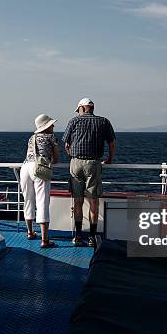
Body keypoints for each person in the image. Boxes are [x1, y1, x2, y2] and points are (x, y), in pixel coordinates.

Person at [62, 98, 116, 247]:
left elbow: (66, 143)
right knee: (93, 201)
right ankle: (92, 238)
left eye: (78, 109)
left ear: (82, 108)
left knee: (78, 201)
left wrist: (72, 156)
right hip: (93, 163)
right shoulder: (103, 121)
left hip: (76, 163)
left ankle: (78, 236)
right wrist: (109, 159)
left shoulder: (74, 121)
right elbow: (111, 143)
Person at [20, 114, 59, 248]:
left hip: (25, 168)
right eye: (51, 124)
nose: (53, 126)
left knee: (28, 200)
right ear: (46, 127)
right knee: (42, 201)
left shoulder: (32, 137)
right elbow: (56, 158)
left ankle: (30, 232)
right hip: (40, 169)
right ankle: (45, 240)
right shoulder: (51, 137)